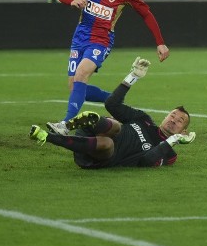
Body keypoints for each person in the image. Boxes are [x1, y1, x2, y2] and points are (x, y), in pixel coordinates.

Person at [49, 0, 169, 135]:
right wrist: (71, 0)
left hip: (101, 40)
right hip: (80, 36)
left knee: (81, 74)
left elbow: (146, 14)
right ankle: (113, 101)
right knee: (74, 86)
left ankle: (65, 124)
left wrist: (160, 42)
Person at [30, 57, 196, 169]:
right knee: (115, 125)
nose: (174, 120)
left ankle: (48, 137)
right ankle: (85, 122)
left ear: (183, 132)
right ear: (165, 116)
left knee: (107, 143)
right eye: (172, 115)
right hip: (90, 133)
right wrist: (133, 77)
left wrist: (172, 140)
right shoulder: (144, 119)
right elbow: (112, 103)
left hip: (97, 156)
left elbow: (146, 161)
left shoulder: (170, 153)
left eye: (180, 120)